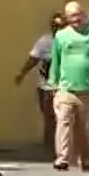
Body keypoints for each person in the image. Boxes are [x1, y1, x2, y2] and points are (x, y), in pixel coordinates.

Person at [48, 0, 89, 171]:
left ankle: (88, 159)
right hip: (66, 88)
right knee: (63, 122)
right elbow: (56, 60)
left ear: (83, 15)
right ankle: (62, 158)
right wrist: (53, 84)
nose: (76, 19)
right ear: (67, 18)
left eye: (78, 15)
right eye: (72, 16)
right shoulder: (61, 36)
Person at [15, 12, 64, 155]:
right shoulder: (45, 41)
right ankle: (50, 145)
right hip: (46, 85)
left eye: (60, 26)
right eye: (55, 26)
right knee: (48, 116)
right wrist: (22, 73)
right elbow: (33, 59)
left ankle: (61, 146)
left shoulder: (68, 41)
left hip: (64, 85)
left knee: (62, 117)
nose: (58, 29)